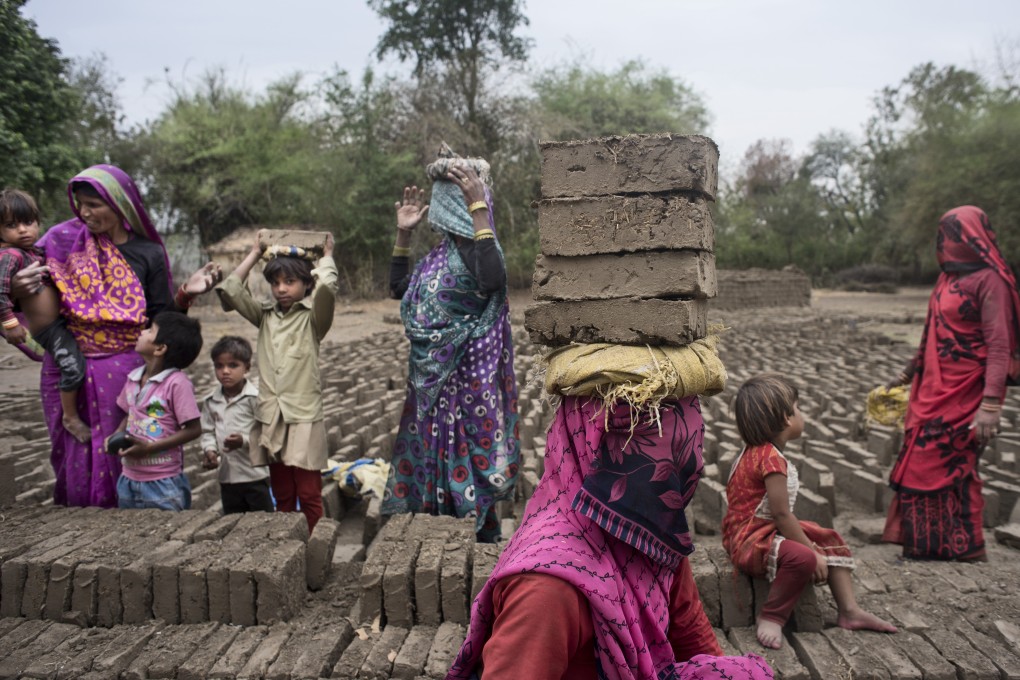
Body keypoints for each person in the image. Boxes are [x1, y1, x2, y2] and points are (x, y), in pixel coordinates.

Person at [448, 396, 774, 680]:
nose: (687, 461)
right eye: (650, 437)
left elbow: (690, 630)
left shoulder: (649, 534)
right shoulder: (546, 592)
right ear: (587, 444)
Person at [9, 164, 222, 508]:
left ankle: (119, 532)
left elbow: (159, 321)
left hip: (121, 371)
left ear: (121, 204)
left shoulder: (148, 253)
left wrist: (186, 294)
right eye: (80, 203)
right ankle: (77, 532)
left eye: (95, 204)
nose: (85, 212)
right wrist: (16, 288)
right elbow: (32, 301)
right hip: (66, 367)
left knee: (117, 452)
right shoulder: (60, 241)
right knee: (70, 455)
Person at [382, 144, 519, 543]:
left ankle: (478, 544)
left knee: (471, 466)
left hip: (468, 385)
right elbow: (398, 290)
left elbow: (494, 279)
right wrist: (403, 234)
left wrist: (479, 210)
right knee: (430, 460)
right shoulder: (436, 258)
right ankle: (440, 540)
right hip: (430, 386)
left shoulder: (480, 253)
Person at [883, 205, 1020, 561]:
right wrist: (906, 373)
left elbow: (1000, 344)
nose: (945, 241)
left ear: (972, 237)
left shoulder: (992, 282)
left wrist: (991, 405)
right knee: (919, 462)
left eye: (952, 234)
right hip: (931, 388)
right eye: (943, 233)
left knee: (954, 466)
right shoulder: (947, 278)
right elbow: (931, 333)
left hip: (968, 391)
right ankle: (927, 545)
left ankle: (964, 546)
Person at [723, 374, 897, 650]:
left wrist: (816, 543)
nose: (802, 414)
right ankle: (772, 615)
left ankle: (849, 611)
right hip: (750, 538)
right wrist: (813, 553)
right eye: (798, 408)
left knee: (828, 537)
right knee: (804, 557)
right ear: (786, 418)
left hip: (761, 529)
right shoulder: (770, 459)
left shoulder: (757, 451)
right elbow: (781, 514)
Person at [216, 231, 337, 532]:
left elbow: (327, 289)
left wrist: (327, 256)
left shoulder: (314, 319)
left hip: (303, 416)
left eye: (290, 282)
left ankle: (314, 550)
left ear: (307, 283)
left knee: (309, 495)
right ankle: (286, 550)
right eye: (275, 282)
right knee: (282, 495)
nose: (281, 289)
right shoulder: (264, 316)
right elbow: (231, 290)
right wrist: (256, 252)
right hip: (272, 416)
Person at [0, 189, 89, 442]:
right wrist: (10, 323)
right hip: (49, 329)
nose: (22, 230)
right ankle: (70, 418)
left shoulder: (34, 252)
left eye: (28, 222)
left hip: (61, 324)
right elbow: (0, 291)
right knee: (73, 368)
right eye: (11, 225)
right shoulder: (10, 256)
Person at [108, 311, 203, 511]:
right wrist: (116, 435)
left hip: (163, 481)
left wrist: (151, 447)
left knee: (165, 533)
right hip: (128, 477)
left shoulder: (177, 384)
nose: (142, 332)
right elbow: (130, 413)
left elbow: (194, 429)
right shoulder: (133, 378)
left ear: (160, 348)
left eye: (150, 330)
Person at [200, 335, 274, 514]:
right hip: (227, 477)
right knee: (233, 522)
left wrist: (244, 441)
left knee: (262, 522)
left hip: (255, 475)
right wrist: (210, 451)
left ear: (247, 368)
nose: (225, 371)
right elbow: (207, 431)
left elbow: (269, 432)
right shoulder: (211, 401)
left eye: (233, 365)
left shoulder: (255, 399)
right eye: (219, 366)